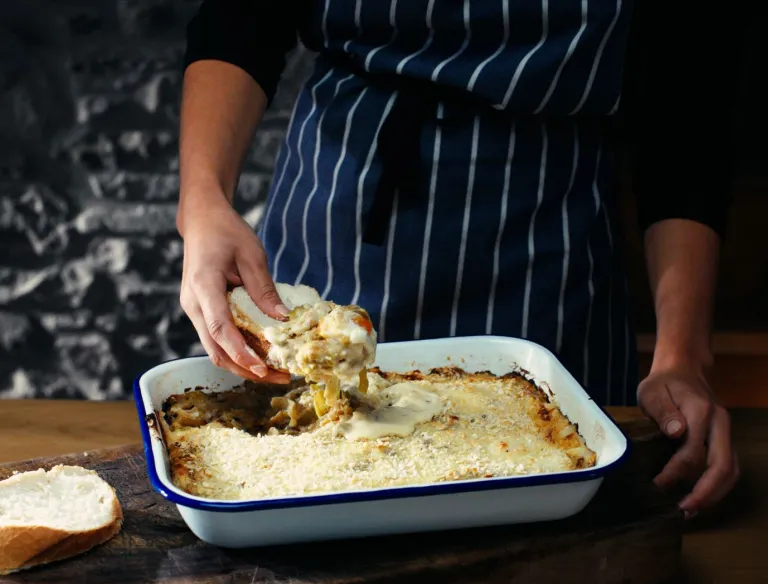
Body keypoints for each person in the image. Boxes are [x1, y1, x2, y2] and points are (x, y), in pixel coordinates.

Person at [176, 0, 743, 517]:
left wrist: (681, 359)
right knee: (300, 458)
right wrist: (201, 200)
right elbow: (242, 19)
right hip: (346, 200)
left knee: (556, 488)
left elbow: (688, 105)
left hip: (545, 233)